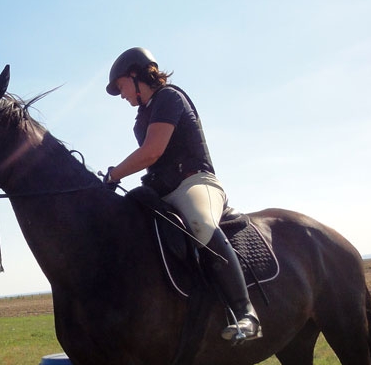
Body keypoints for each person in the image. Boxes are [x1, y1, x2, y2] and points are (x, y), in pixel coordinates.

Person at [103, 47, 262, 343]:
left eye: (121, 86)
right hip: (163, 189)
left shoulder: (169, 98)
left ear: (135, 75)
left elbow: (152, 151)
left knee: (201, 223)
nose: (122, 94)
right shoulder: (142, 116)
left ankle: (246, 313)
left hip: (194, 184)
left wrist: (114, 174)